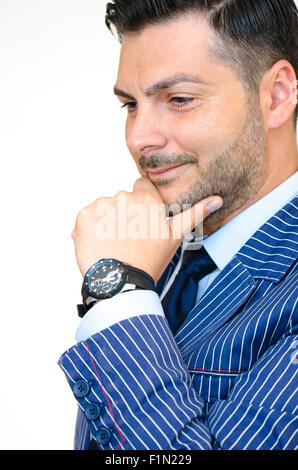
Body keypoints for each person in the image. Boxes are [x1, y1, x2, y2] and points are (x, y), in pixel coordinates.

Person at [59, 0, 298, 450]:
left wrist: (118, 296)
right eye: (131, 104)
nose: (138, 138)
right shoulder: (154, 248)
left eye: (179, 100)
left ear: (277, 95)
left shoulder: (128, 273)